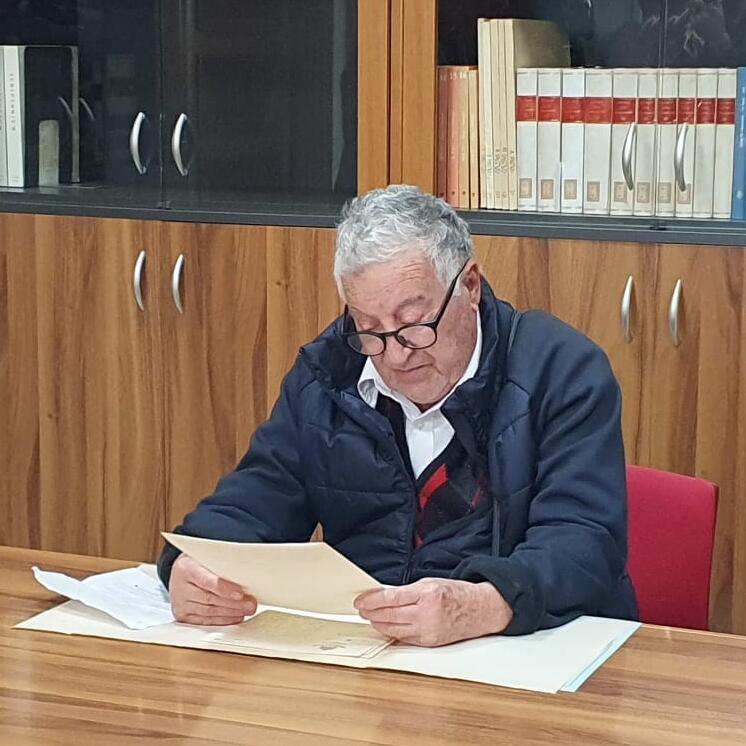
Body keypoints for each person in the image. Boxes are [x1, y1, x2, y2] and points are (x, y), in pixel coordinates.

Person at [158, 185, 638, 646]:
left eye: (413, 324)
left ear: (470, 285)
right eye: (369, 329)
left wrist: (484, 604)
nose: (396, 354)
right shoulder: (329, 373)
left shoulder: (561, 370)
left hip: (528, 653)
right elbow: (254, 499)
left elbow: (583, 540)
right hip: (369, 651)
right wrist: (190, 565)